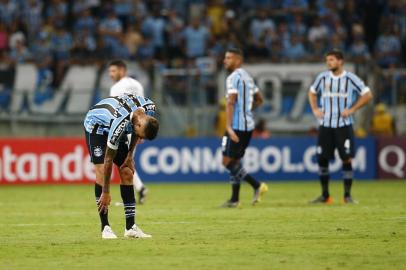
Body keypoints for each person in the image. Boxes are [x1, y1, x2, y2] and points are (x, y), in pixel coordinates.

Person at [84, 94, 159, 239]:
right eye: (141, 136)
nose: (140, 139)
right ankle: (105, 227)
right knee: (100, 170)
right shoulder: (120, 124)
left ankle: (130, 228)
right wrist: (106, 192)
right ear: (137, 125)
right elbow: (108, 160)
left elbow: (136, 134)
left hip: (118, 121)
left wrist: (130, 156)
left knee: (127, 171)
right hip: (96, 126)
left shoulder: (150, 109)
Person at [308, 49, 373, 204]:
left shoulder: (351, 79)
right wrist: (315, 109)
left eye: (331, 60)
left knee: (346, 158)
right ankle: (325, 196)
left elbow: (368, 94)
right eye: (327, 60)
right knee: (322, 159)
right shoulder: (323, 78)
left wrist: (352, 109)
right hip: (325, 125)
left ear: (340, 61)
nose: (328, 63)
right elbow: (311, 92)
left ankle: (347, 196)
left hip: (343, 126)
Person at [221, 48, 268, 208]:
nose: (225, 60)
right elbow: (260, 99)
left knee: (227, 162)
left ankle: (257, 185)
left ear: (238, 60)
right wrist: (247, 109)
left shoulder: (233, 78)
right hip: (248, 125)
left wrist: (228, 126)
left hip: (236, 125)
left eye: (229, 58)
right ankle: (235, 199)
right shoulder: (248, 77)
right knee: (235, 161)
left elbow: (231, 101)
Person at [108, 60, 149, 204]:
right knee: (126, 162)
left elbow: (116, 111)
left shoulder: (116, 88)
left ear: (122, 70)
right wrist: (142, 129)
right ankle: (140, 189)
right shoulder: (137, 85)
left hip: (124, 129)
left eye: (113, 71)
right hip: (138, 127)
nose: (111, 74)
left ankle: (135, 194)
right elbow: (142, 107)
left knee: (124, 163)